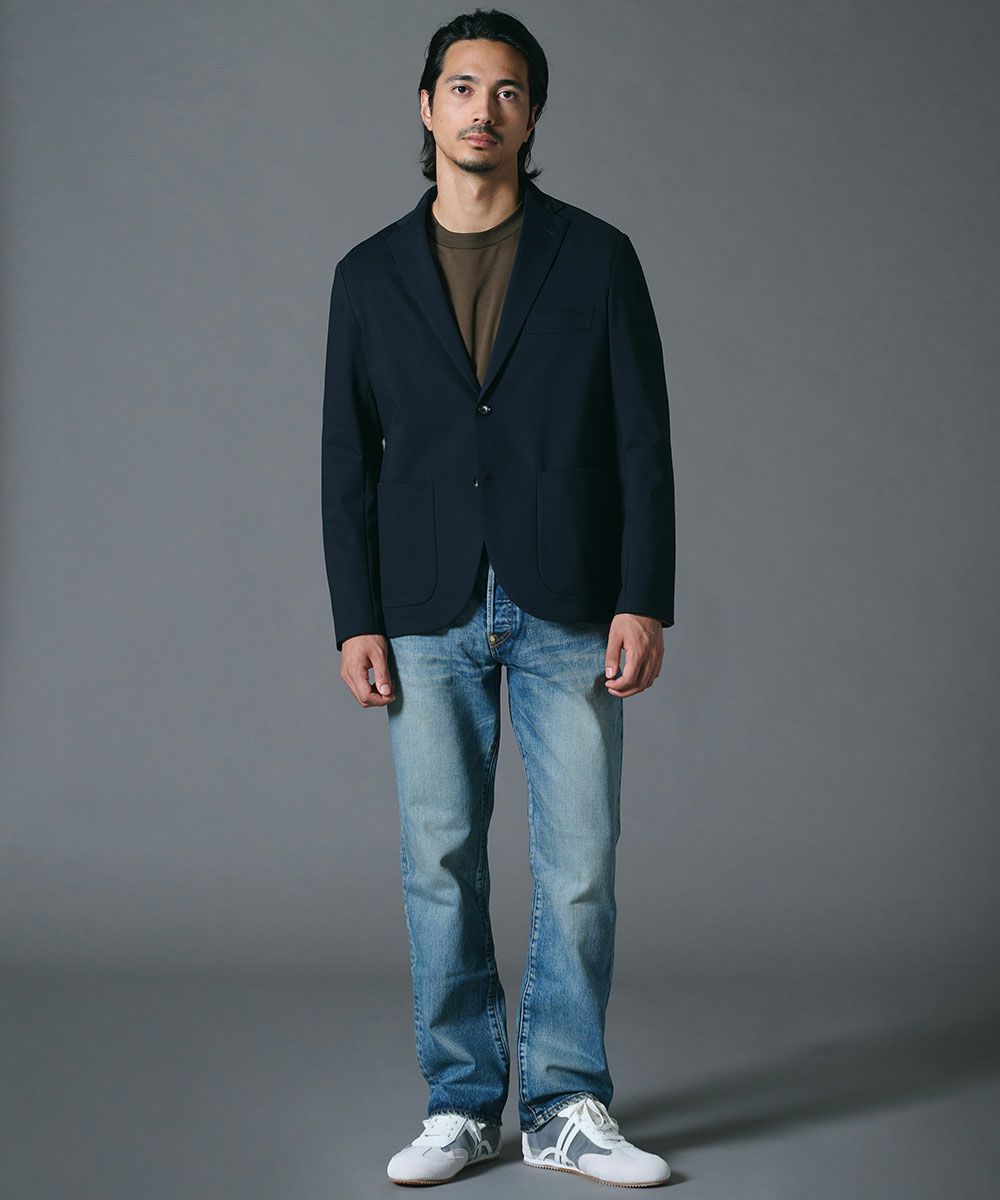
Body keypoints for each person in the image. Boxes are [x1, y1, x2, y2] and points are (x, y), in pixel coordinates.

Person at [321, 8, 674, 1188]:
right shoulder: (367, 275)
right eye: (463, 87)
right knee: (439, 860)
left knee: (580, 862)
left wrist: (644, 595)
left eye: (508, 90)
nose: (484, 108)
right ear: (427, 108)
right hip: (423, 608)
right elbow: (344, 458)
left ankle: (567, 1104)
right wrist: (355, 616)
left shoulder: (597, 257)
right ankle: (463, 1104)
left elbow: (641, 440)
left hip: (570, 596)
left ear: (531, 116)